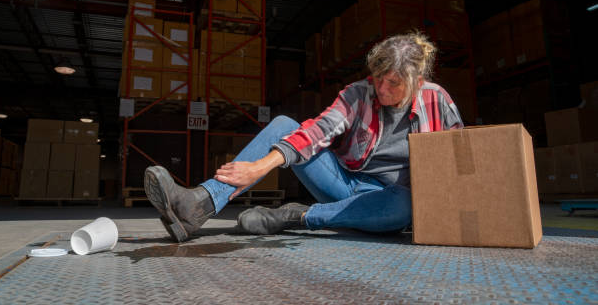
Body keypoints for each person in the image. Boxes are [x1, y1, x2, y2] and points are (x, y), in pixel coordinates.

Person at [144, 32, 463, 242]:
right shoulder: (358, 94)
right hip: (344, 183)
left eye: (393, 83)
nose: (382, 89)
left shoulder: (439, 101)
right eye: (378, 79)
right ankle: (196, 205)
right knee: (284, 124)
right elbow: (318, 130)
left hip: (390, 197)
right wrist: (262, 166)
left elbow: (460, 161)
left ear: (418, 81)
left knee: (405, 208)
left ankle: (297, 216)